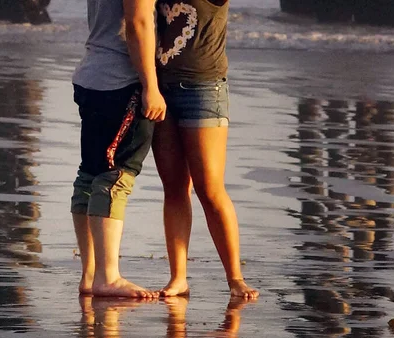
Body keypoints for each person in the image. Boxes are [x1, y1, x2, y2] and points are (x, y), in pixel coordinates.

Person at [152, 0, 259, 298]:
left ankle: (235, 278)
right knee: (174, 188)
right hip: (160, 89)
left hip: (203, 89)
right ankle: (178, 278)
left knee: (209, 189)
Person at [70, 0, 166, 297]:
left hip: (93, 75)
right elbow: (138, 22)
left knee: (90, 175)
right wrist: (150, 85)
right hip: (120, 82)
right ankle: (108, 276)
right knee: (115, 177)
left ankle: (91, 275)